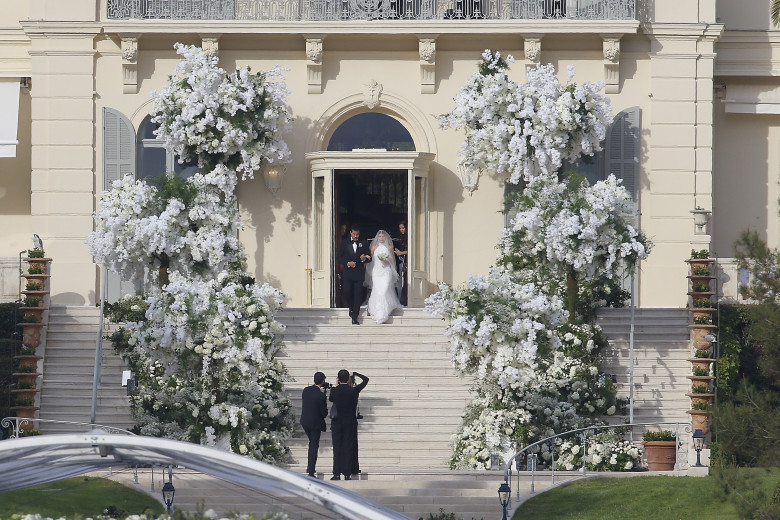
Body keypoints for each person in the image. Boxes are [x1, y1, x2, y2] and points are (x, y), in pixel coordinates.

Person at [329, 369, 369, 480]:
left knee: (337, 447)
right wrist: (356, 374)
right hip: (350, 422)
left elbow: (331, 399)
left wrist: (337, 385)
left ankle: (336, 473)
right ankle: (347, 473)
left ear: (338, 379)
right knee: (349, 447)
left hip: (337, 422)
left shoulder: (334, 391)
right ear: (348, 379)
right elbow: (366, 380)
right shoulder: (353, 391)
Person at [337, 224, 372, 325]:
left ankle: (355, 315)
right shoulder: (344, 243)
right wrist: (348, 263)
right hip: (348, 272)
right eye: (354, 234)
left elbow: (370, 258)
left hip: (359, 272)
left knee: (358, 294)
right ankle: (351, 307)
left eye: (357, 234)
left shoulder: (364, 243)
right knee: (347, 291)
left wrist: (364, 258)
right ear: (350, 232)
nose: (356, 236)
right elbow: (339, 257)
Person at [366, 230, 402, 324]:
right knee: (377, 290)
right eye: (379, 236)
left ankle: (384, 311)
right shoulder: (373, 247)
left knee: (385, 289)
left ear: (385, 237)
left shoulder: (389, 247)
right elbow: (370, 260)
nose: (381, 238)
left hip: (386, 271)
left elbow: (393, 261)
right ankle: (377, 311)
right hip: (376, 271)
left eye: (383, 236)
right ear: (377, 238)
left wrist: (387, 261)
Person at [300, 371, 328, 477]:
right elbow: (324, 413)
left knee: (312, 443)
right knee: (313, 445)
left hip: (305, 421)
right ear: (323, 381)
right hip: (315, 423)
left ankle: (310, 466)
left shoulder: (306, 390)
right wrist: (323, 395)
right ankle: (311, 470)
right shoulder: (321, 395)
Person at [393, 221, 408, 306]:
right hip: (403, 262)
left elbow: (412, 249)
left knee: (406, 282)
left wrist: (401, 253)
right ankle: (402, 300)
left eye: (403, 228)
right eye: (400, 228)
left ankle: (403, 300)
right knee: (402, 282)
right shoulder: (401, 238)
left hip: (408, 262)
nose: (402, 230)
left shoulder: (409, 237)